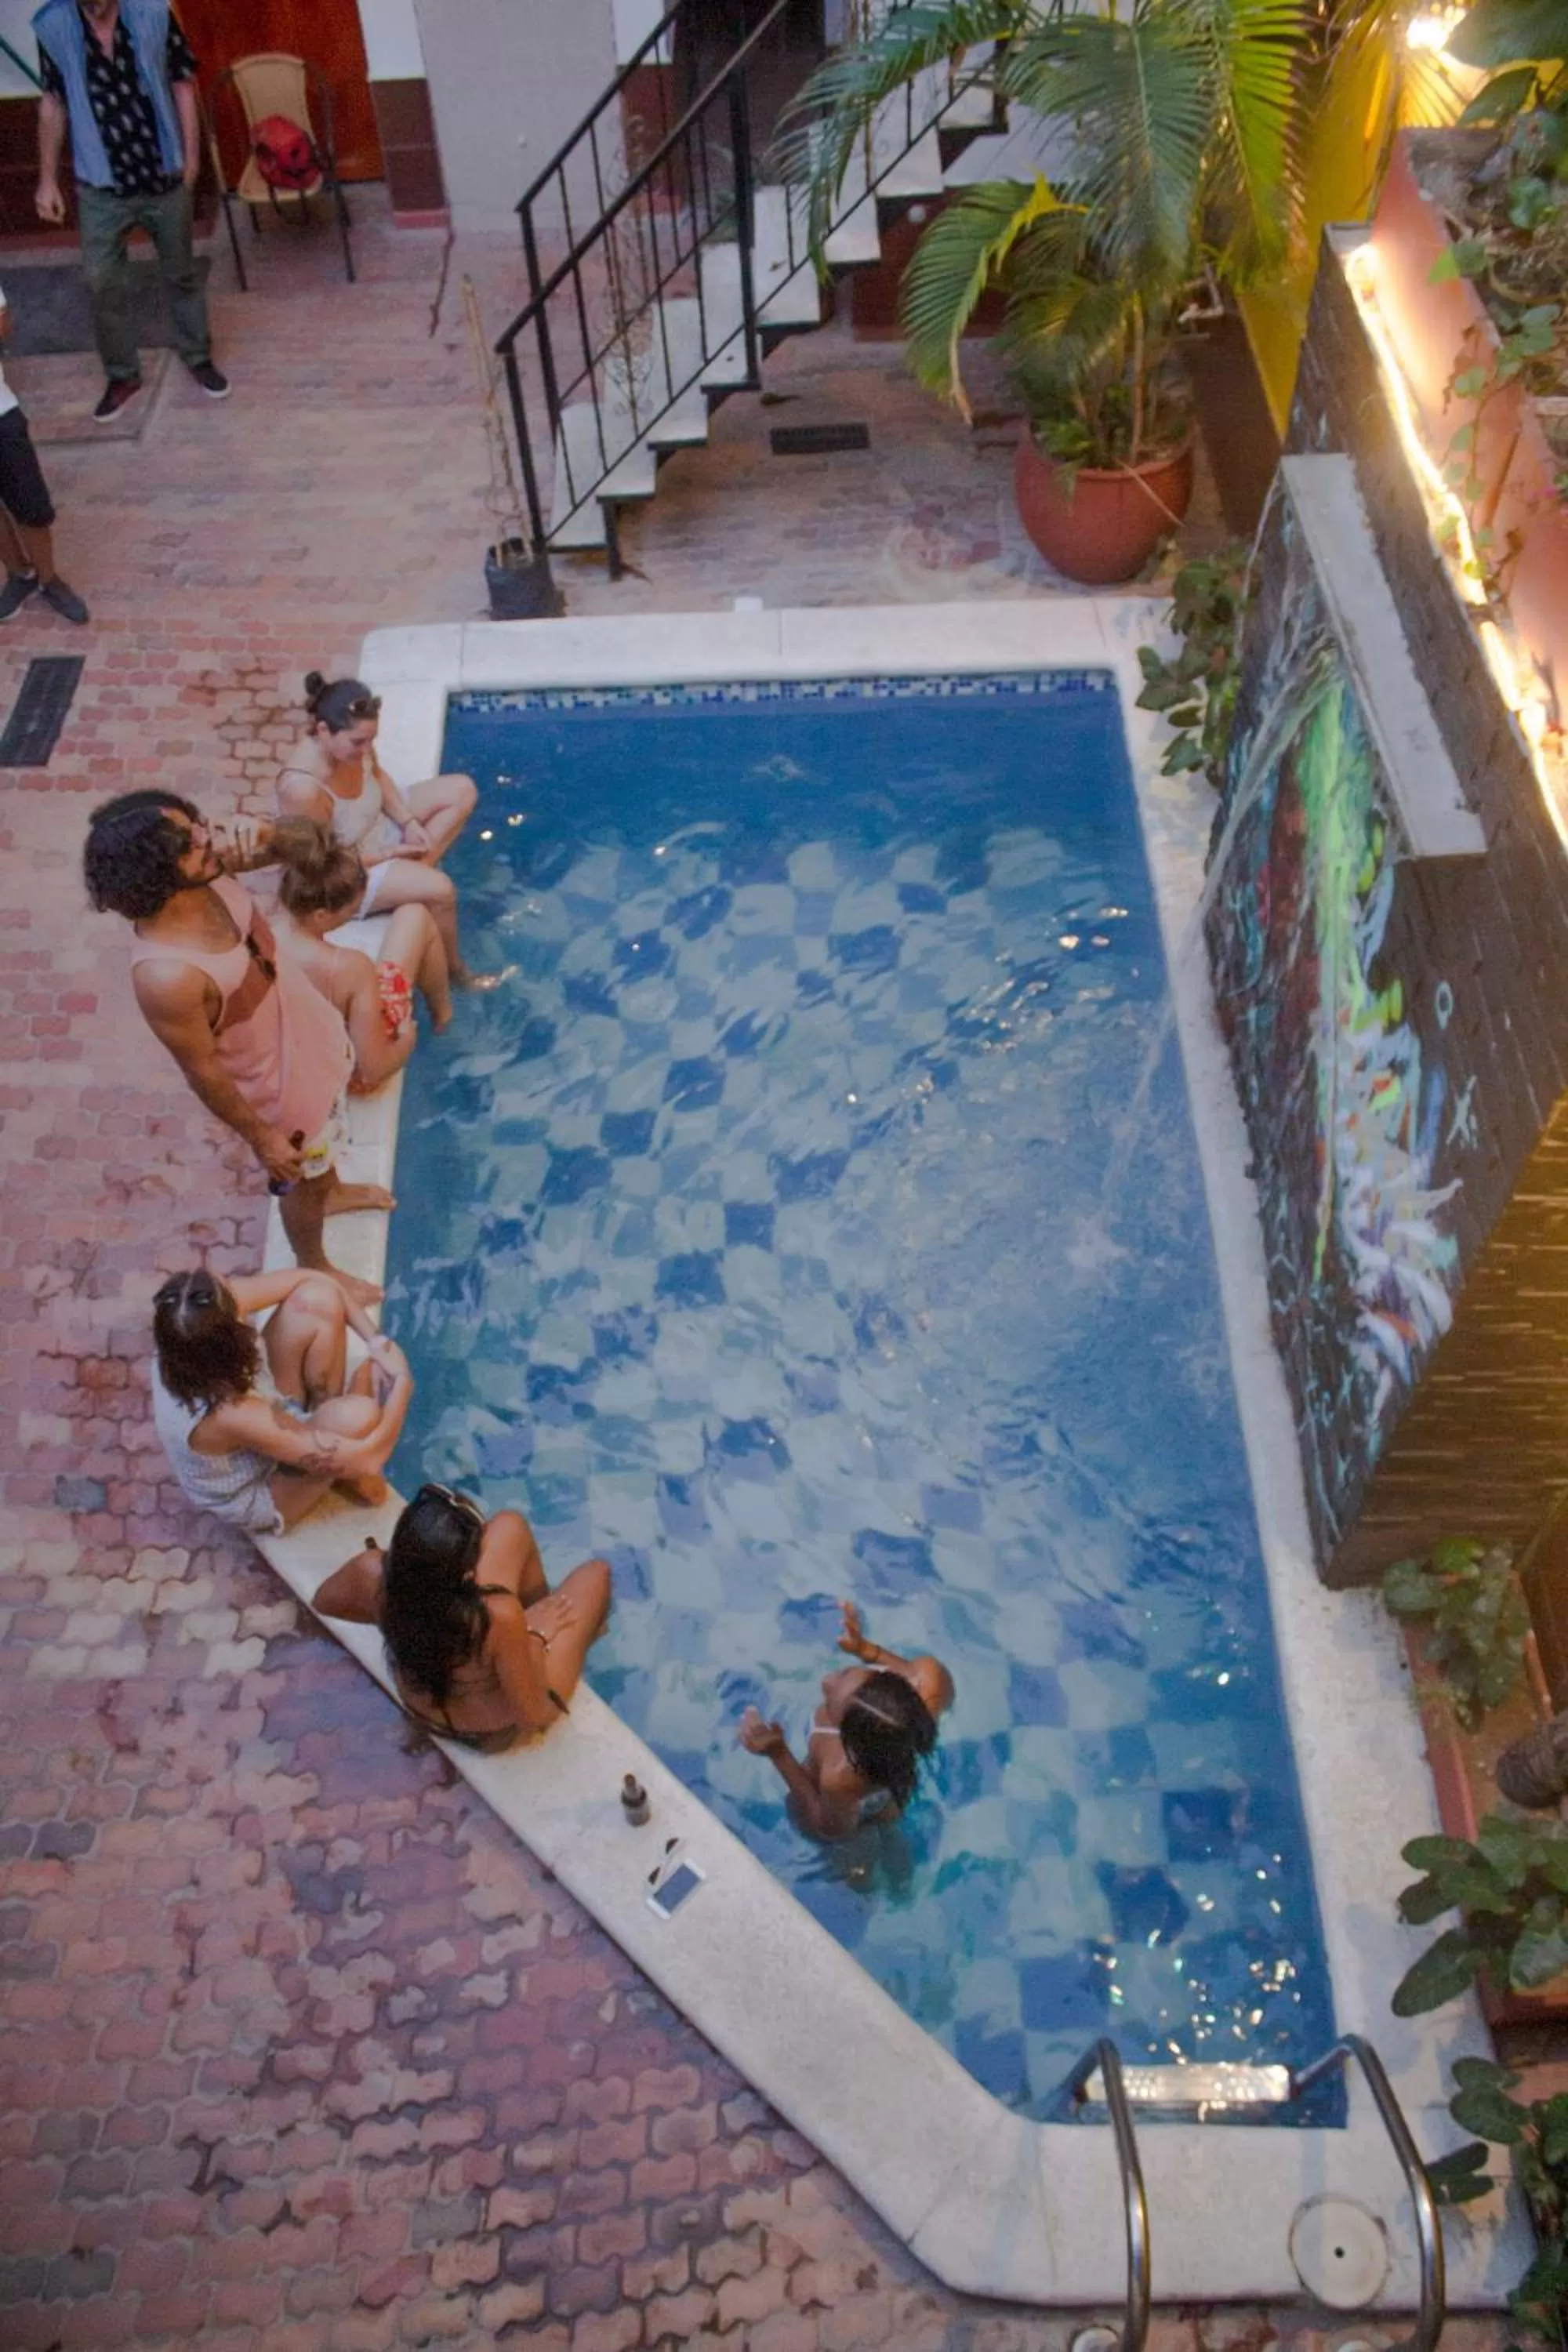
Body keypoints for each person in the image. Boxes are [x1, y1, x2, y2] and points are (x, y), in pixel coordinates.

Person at [83, 789, 390, 1308]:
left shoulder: (213, 868)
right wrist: (262, 1137)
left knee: (322, 1163)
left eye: (197, 822)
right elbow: (203, 1071)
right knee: (301, 1183)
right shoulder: (167, 975)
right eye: (186, 840)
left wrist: (266, 831)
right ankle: (315, 1266)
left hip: (314, 1042)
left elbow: (315, 848)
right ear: (154, 872)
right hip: (282, 1095)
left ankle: (333, 1191)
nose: (205, 836)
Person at [33, 0, 228, 421]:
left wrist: (191, 160)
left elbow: (182, 81)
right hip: (101, 186)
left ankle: (197, 356)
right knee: (102, 282)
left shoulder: (154, 14)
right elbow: (52, 102)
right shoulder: (53, 26)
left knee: (181, 273)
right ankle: (123, 374)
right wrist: (47, 179)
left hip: (163, 176)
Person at [316, 1487, 612, 1752]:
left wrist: (400, 1619)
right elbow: (531, 1714)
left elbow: (325, 1602)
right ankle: (572, 1636)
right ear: (468, 1573)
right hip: (486, 1730)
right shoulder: (496, 1616)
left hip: (421, 1700)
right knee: (596, 1576)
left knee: (511, 1525)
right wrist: (535, 1635)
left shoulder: (373, 1573)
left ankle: (532, 1634)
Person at [151, 1265, 412, 1536]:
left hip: (259, 1402)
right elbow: (368, 1459)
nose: (233, 1285)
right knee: (361, 1416)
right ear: (232, 1341)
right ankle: (332, 1462)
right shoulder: (230, 1413)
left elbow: (315, 1278)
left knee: (317, 1298)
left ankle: (326, 1435)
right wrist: (402, 1384)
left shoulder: (190, 1328)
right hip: (261, 1484)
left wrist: (378, 1344)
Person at [277, 675, 492, 989]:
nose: (367, 749)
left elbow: (377, 776)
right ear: (323, 730)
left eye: (371, 740)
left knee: (462, 790)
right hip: (347, 867)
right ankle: (456, 972)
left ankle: (409, 880)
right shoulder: (303, 790)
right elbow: (323, 864)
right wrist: (390, 855)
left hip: (375, 824)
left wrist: (409, 822)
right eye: (358, 743)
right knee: (442, 890)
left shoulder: (352, 746)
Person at [739, 1601, 954, 1840]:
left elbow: (827, 1828)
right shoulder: (924, 1692)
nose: (826, 1681)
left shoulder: (840, 1773)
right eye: (848, 1672)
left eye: (830, 1702)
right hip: (894, 1779)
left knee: (838, 1843)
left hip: (862, 1805)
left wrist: (778, 1753)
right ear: (882, 1678)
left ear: (848, 1738)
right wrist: (866, 1650)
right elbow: (931, 1676)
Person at [271, 818, 452, 1095]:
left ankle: (443, 1014)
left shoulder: (263, 929)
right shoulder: (348, 968)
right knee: (415, 916)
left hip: (289, 1061)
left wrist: (384, 857)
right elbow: (373, 1068)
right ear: (321, 915)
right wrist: (407, 1039)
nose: (351, 917)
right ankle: (443, 1018)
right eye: (350, 911)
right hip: (345, 1075)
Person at [0, 282, 88, 623]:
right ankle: (19, 576)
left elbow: (4, 323)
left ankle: (49, 580)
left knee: (31, 506)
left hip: (1, 414)